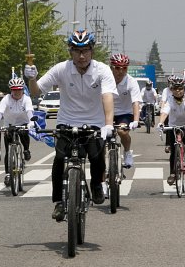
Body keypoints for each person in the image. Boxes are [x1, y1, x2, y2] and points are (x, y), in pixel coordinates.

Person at [24, 29, 116, 221]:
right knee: (59, 160)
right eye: (76, 51)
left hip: (94, 124)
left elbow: (107, 97)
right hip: (66, 122)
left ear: (92, 51)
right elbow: (36, 91)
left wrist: (108, 125)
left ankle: (97, 185)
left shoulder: (102, 70)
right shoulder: (61, 69)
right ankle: (59, 201)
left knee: (97, 156)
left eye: (85, 51)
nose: (81, 56)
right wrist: (31, 78)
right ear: (70, 52)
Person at [0, 77, 35, 186]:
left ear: (22, 89)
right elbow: (0, 112)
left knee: (24, 132)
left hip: (23, 123)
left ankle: (26, 150)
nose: (17, 92)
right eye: (14, 89)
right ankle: (8, 174)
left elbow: (29, 111)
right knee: (8, 149)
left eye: (19, 89)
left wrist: (31, 122)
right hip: (9, 125)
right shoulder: (6, 98)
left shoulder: (26, 99)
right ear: (11, 90)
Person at [157, 76, 185, 185]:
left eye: (180, 88)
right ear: (172, 89)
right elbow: (165, 112)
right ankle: (172, 174)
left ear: (184, 89)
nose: (178, 91)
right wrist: (161, 123)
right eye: (175, 88)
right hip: (173, 125)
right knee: (173, 151)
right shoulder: (170, 100)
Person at [109, 53, 141, 168]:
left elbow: (135, 102)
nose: (121, 71)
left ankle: (127, 152)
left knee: (122, 131)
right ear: (111, 67)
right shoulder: (105, 79)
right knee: (99, 137)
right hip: (107, 112)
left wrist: (136, 121)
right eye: (117, 68)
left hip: (125, 113)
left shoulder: (131, 81)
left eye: (124, 68)